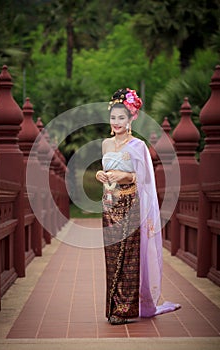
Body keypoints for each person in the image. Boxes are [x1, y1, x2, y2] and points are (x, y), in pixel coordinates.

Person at [96, 88, 180, 325]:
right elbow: (105, 174)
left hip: (131, 203)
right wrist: (100, 175)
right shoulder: (105, 144)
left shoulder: (138, 146)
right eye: (113, 117)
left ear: (131, 118)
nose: (116, 122)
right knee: (112, 258)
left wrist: (121, 176)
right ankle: (112, 307)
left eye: (121, 118)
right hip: (109, 205)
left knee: (129, 257)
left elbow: (142, 178)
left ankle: (124, 310)